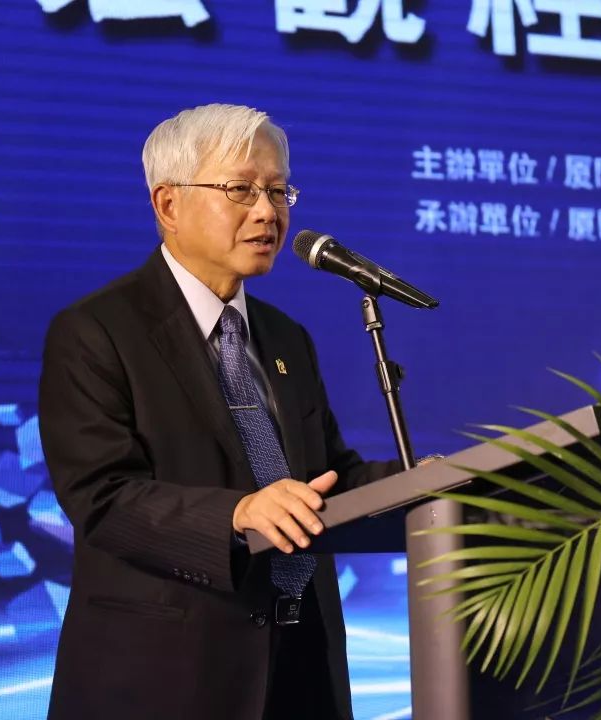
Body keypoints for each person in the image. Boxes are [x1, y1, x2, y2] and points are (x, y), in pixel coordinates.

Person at [38, 103, 401, 720]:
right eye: (241, 190)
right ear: (168, 205)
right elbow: (101, 497)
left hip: (300, 668)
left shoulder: (286, 337)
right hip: (166, 678)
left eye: (278, 191)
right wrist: (237, 514)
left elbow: (328, 479)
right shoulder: (97, 331)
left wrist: (434, 483)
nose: (267, 212)